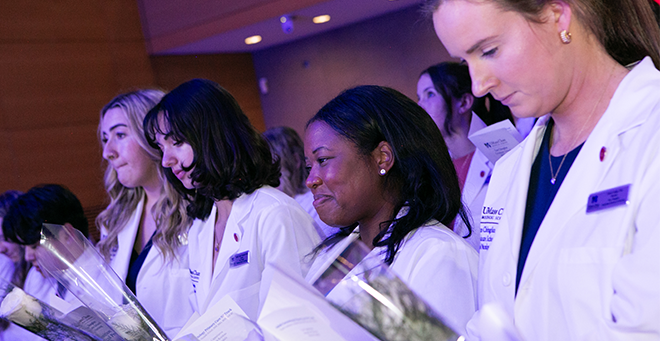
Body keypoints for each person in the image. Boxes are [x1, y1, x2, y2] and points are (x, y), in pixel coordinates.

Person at [427, 0, 660, 339]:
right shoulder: (511, 170)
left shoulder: (650, 132)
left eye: (489, 51)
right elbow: (495, 321)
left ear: (557, 16)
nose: (478, 86)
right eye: (465, 61)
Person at [303, 85, 478, 336]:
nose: (311, 180)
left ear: (382, 157)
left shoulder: (437, 254)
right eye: (309, 166)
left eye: (322, 161)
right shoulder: (334, 257)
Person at [143, 78, 320, 322]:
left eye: (177, 142)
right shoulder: (202, 226)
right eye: (162, 148)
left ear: (213, 136)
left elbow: (298, 323)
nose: (166, 161)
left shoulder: (275, 215)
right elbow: (205, 318)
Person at [97, 89, 194, 337]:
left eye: (119, 135)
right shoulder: (115, 220)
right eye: (105, 138)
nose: (108, 152)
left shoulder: (197, 209)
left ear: (153, 137)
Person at [417, 62, 517, 251]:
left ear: (463, 102)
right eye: (419, 97)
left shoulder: (505, 155)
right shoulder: (427, 169)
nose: (419, 105)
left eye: (430, 94)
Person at [2, 184, 89, 305]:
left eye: (35, 246)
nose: (28, 257)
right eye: (24, 247)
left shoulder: (105, 277)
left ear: (67, 235)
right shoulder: (36, 276)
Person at [263, 126, 339, 239]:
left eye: (274, 167)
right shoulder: (273, 205)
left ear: (296, 160)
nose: (268, 178)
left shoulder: (317, 200)